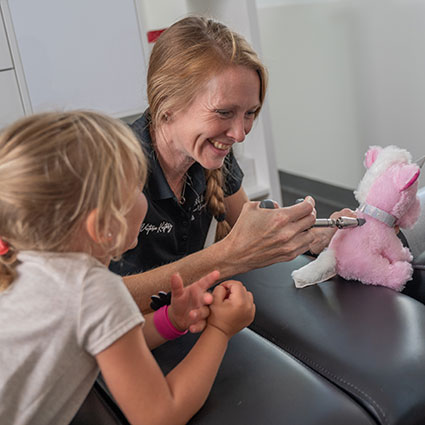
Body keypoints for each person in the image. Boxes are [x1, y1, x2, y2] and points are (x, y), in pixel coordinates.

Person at [0, 110, 255, 425]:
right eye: (138, 187)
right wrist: (220, 330)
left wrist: (171, 320)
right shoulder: (92, 290)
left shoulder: (21, 262)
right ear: (104, 225)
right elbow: (161, 415)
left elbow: (108, 340)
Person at [110, 16, 351, 312]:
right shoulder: (112, 171)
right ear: (167, 104)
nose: (239, 133)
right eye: (224, 112)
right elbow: (99, 304)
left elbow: (251, 229)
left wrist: (317, 235)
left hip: (185, 315)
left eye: (249, 113)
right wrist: (227, 256)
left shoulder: (208, 154)